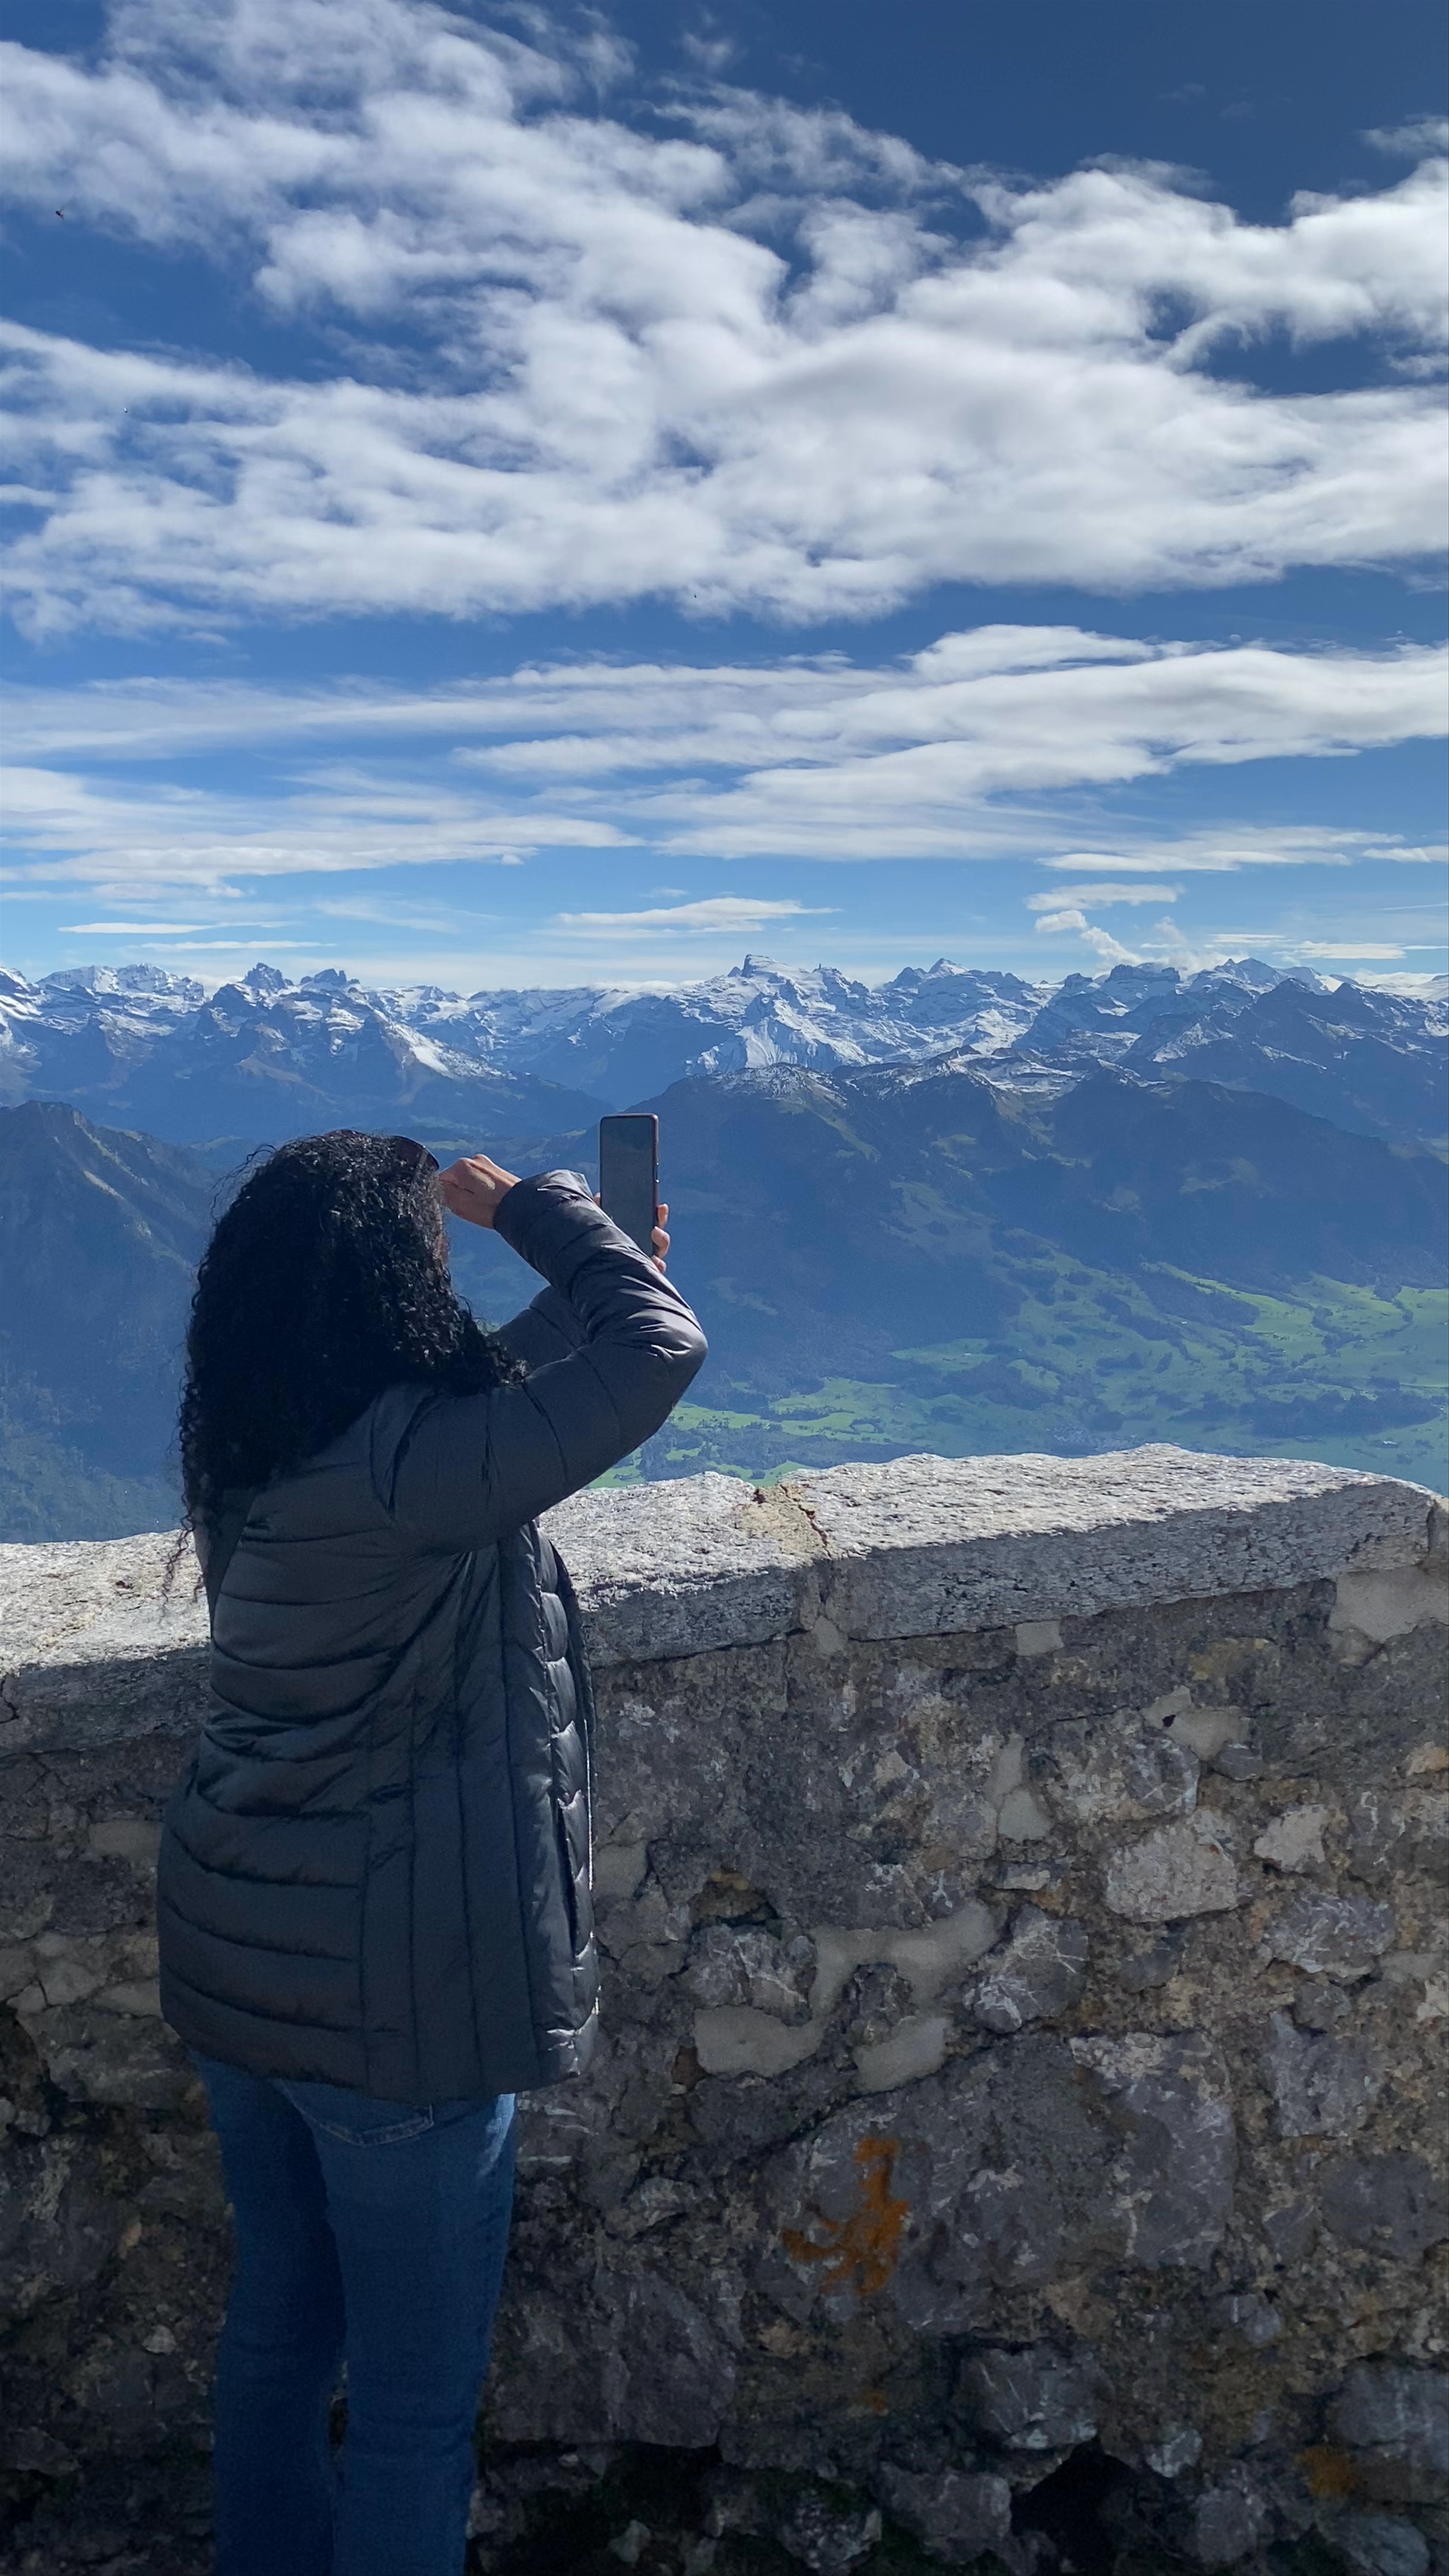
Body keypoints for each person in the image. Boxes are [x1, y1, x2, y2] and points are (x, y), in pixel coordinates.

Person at [156, 1133, 706, 2576]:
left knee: (279, 2336)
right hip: (392, 2005)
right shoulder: (409, 1475)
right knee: (409, 2413)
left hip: (237, 1965)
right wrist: (543, 1213)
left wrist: (588, 1280)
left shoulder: (271, 1441)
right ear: (390, 1287)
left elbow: (488, 1397)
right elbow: (661, 1355)